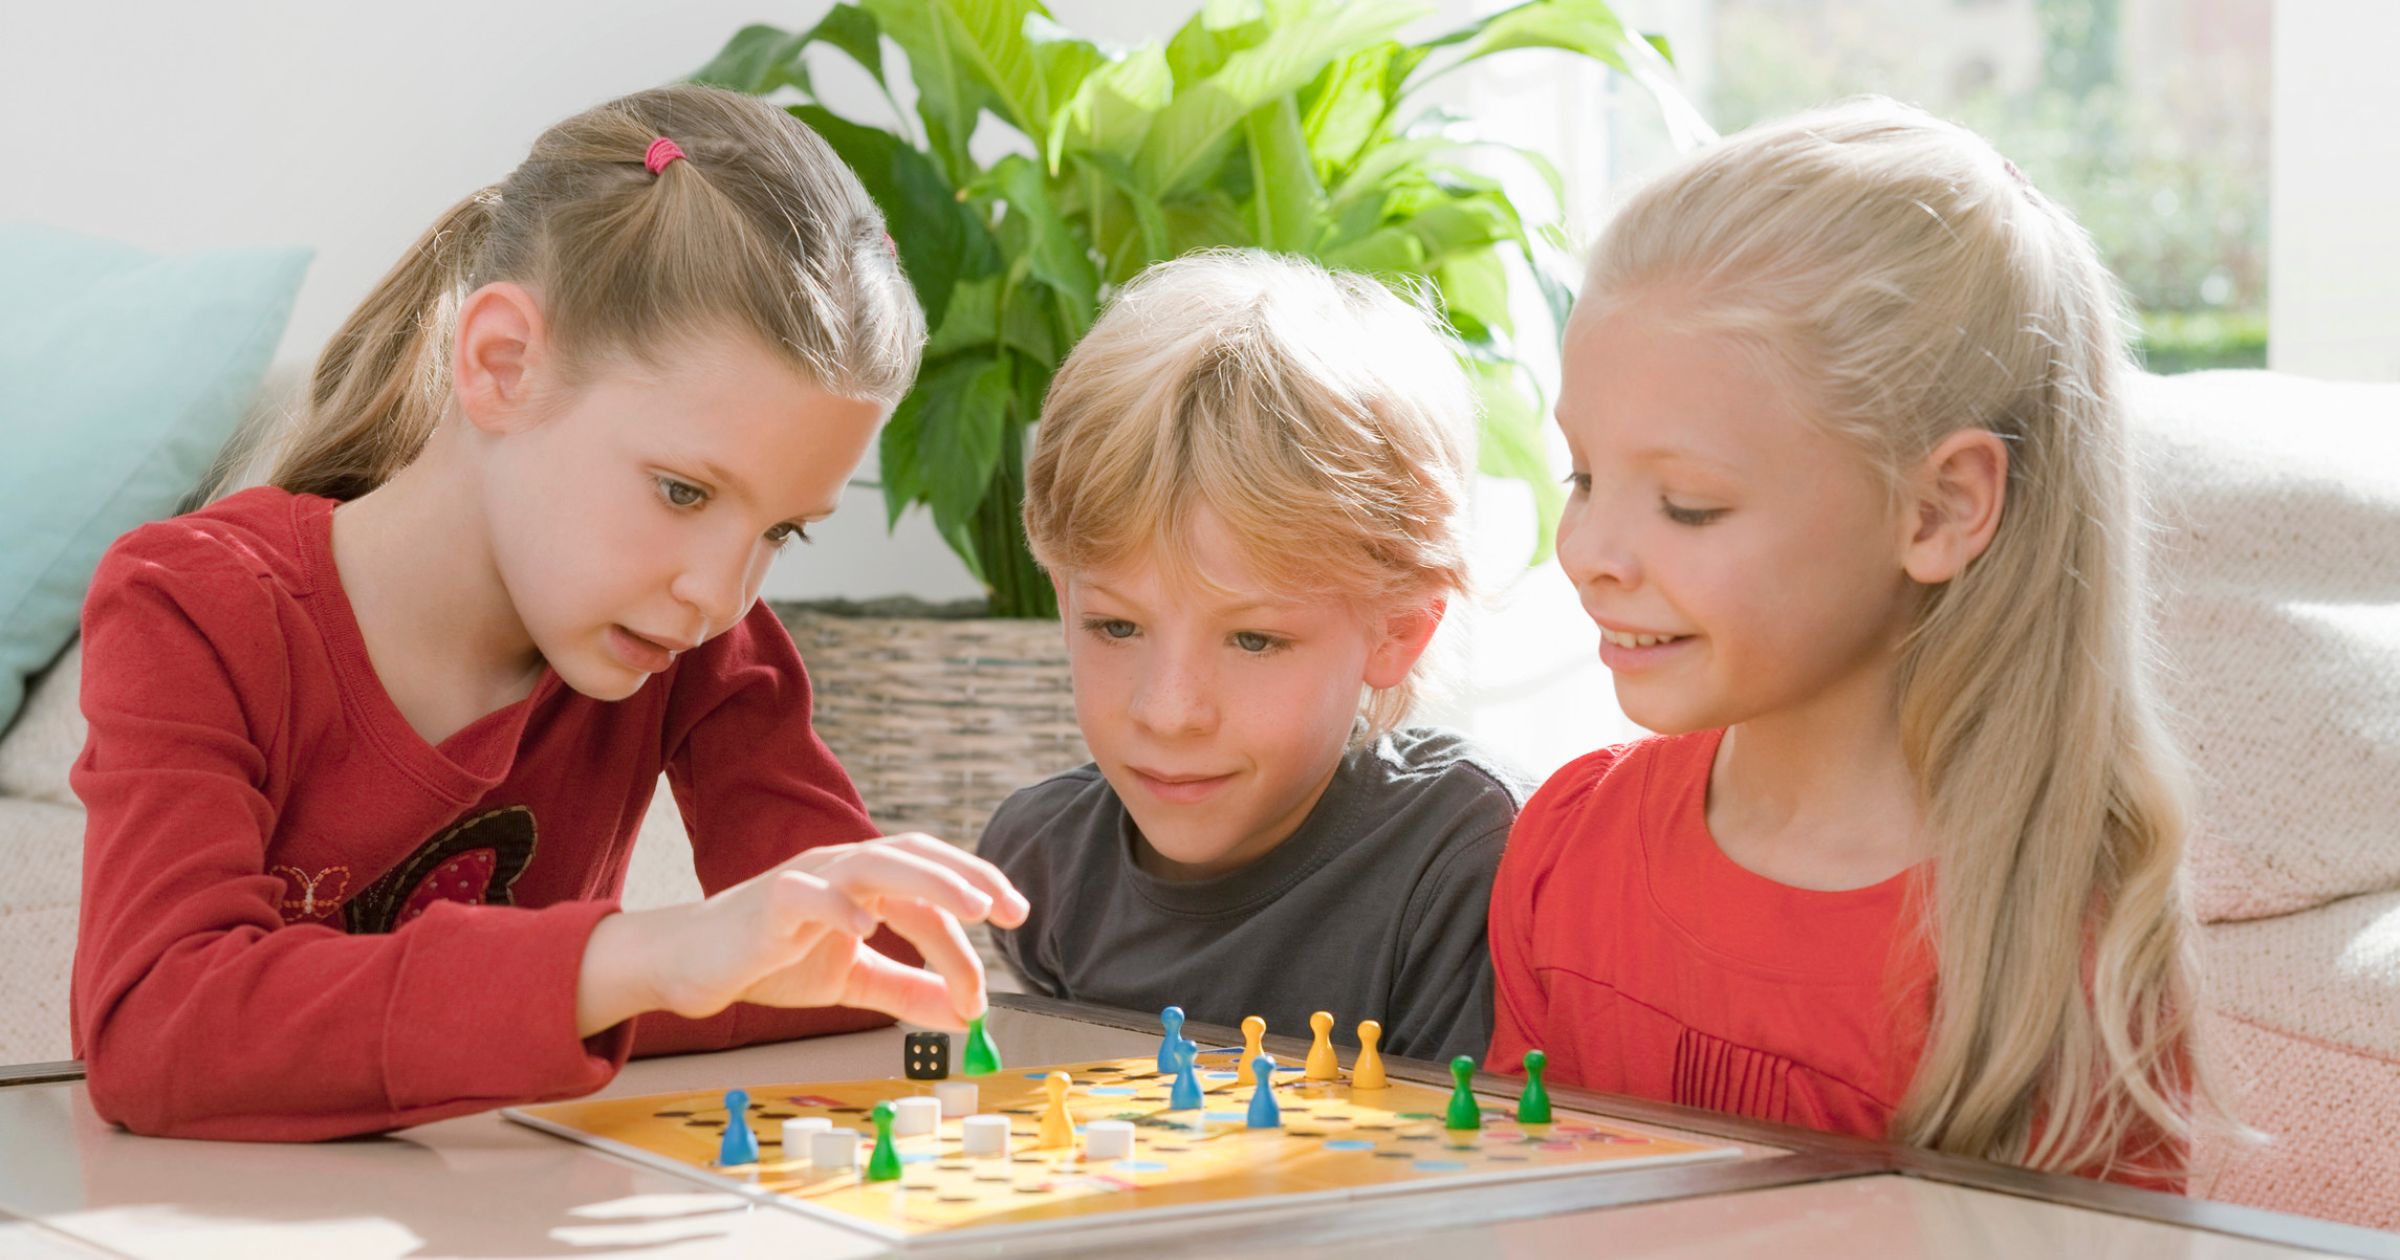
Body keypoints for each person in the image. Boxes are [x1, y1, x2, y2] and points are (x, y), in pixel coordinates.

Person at [69, 84, 1026, 1141]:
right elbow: (156, 1031)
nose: (717, 594)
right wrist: (634, 963)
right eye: (683, 492)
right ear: (502, 365)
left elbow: (859, 971)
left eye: (781, 532)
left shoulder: (694, 642)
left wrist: (651, 974)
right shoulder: (195, 603)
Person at [1488, 98, 2224, 1188]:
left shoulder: (2051, 950)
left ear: (1937, 510)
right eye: (1584, 477)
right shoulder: (1564, 848)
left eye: (1687, 505)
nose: (1589, 549)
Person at [981, 251, 1529, 1063]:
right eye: (1116, 628)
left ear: (1398, 630)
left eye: (1254, 639)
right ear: (1063, 599)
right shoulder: (1043, 861)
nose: (1167, 712)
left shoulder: (1466, 864)